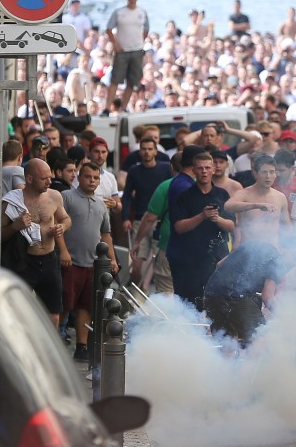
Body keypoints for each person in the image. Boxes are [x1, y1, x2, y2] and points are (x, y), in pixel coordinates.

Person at [1, 158, 73, 328]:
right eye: (44, 178)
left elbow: (66, 219)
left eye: (50, 176)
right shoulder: (12, 202)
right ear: (30, 179)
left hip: (49, 260)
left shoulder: (54, 196)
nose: (50, 181)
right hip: (24, 261)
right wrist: (15, 226)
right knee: (17, 313)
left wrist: (62, 227)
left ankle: (50, 353)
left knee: (53, 316)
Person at [60, 162, 118, 361]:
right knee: (65, 303)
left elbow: (106, 234)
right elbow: (57, 224)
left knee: (86, 306)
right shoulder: (67, 197)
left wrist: (112, 259)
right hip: (70, 262)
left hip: (93, 264)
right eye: (87, 177)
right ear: (79, 177)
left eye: (95, 178)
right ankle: (56, 338)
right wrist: (63, 251)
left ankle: (81, 346)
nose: (92, 181)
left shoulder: (101, 205)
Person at [170, 152, 235, 309]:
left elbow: (232, 225)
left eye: (207, 168)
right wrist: (202, 216)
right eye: (200, 168)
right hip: (191, 260)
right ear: (193, 170)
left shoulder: (222, 194)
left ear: (213, 170)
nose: (204, 171)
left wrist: (217, 219)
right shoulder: (185, 196)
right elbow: (178, 227)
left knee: (219, 303)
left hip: (218, 258)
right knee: (190, 304)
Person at [203, 241, 283, 348]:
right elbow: (267, 296)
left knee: (227, 343)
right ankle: (252, 365)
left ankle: (222, 364)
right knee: (261, 337)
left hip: (211, 293)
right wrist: (284, 318)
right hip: (235, 295)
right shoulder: (278, 260)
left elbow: (219, 264)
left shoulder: (250, 245)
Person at [122, 136, 172, 280]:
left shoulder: (166, 168)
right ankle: (137, 293)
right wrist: (125, 218)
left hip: (161, 221)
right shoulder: (134, 170)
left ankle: (150, 295)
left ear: (156, 151)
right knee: (136, 264)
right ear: (139, 152)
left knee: (159, 263)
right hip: (139, 220)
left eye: (150, 149)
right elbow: (126, 195)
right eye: (143, 149)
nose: (146, 152)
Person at [105, 0, 149, 113]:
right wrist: (115, 44)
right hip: (122, 51)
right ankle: (107, 108)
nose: (132, 0)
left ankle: (124, 107)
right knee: (115, 80)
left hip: (137, 50)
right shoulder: (119, 12)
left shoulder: (142, 12)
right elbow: (108, 28)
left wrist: (140, 41)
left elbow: (146, 29)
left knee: (132, 81)